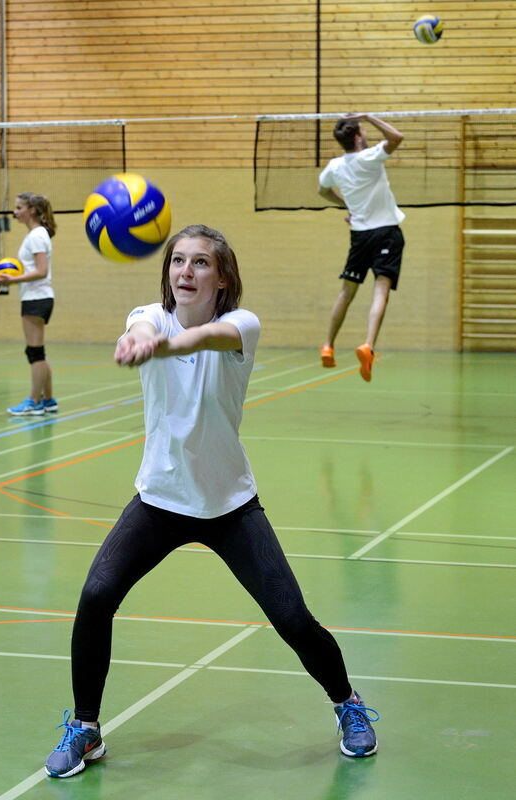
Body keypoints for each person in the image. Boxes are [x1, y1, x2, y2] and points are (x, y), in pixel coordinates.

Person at [43, 224, 380, 779]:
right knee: (97, 594)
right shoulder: (145, 316)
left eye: (201, 263)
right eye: (178, 261)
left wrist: (162, 345)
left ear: (222, 278)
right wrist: (143, 335)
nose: (186, 272)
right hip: (159, 499)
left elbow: (201, 339)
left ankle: (348, 706)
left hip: (229, 505)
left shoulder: (241, 326)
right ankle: (86, 727)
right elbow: (147, 324)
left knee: (292, 618)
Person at [318, 113, 405, 382]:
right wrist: (368, 116)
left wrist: (348, 206)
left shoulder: (334, 166)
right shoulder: (371, 156)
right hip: (387, 233)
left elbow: (322, 191)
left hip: (359, 236)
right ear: (358, 137)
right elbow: (397, 137)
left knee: (347, 292)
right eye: (364, 131)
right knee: (381, 291)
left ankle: (328, 345)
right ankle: (368, 344)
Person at [0, 192, 58, 415]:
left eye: (19, 208)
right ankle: (49, 400)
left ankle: (33, 401)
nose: (15, 212)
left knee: (35, 353)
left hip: (36, 298)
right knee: (38, 352)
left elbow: (41, 271)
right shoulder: (37, 234)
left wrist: (12, 280)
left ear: (31, 210)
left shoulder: (36, 236)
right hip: (37, 297)